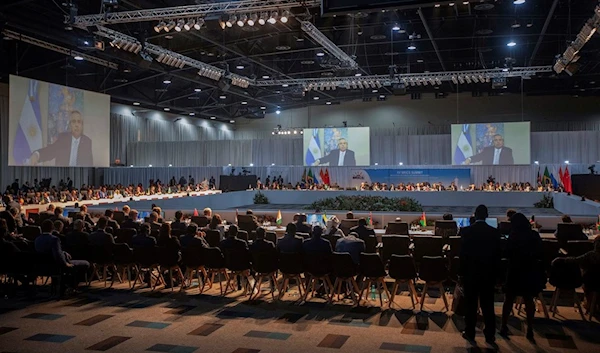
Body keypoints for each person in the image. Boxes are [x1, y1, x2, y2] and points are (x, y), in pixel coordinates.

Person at [458, 204, 502, 344]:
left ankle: (470, 333)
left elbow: (462, 255)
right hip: (488, 275)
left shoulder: (465, 231)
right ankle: (490, 335)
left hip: (470, 274)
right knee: (488, 306)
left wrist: (460, 274)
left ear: (475, 215)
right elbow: (498, 256)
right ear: (487, 216)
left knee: (470, 306)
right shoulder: (495, 233)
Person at [500, 213, 543, 341]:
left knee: (508, 300)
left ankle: (503, 326)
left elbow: (506, 253)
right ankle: (530, 328)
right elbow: (540, 252)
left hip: (514, 272)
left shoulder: (513, 236)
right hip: (529, 272)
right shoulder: (534, 235)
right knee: (529, 300)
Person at [35, 220, 90, 294]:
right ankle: (71, 286)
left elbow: (49, 252)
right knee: (86, 264)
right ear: (52, 228)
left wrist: (63, 253)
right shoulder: (54, 239)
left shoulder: (37, 239)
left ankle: (67, 284)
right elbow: (57, 255)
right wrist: (65, 263)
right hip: (56, 265)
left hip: (43, 265)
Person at [28, 110, 94, 166]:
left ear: (82, 125)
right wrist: (37, 155)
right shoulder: (63, 139)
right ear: (70, 125)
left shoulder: (87, 142)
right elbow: (50, 151)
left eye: (79, 122)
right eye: (74, 121)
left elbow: (89, 164)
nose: (77, 125)